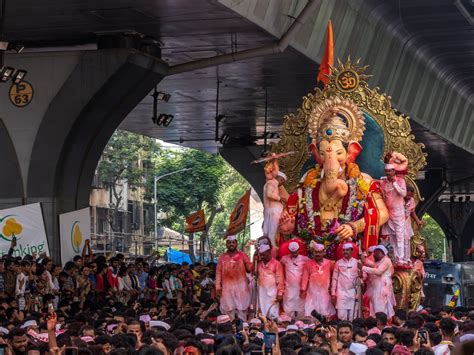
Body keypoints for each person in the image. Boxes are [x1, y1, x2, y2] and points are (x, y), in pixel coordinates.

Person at [215, 235, 252, 321]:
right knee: (228, 311)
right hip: (227, 289)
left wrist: (253, 261)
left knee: (242, 311)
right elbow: (218, 272)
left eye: (233, 242)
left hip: (241, 289)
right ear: (226, 244)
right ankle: (230, 331)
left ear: (236, 243)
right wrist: (217, 287)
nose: (231, 244)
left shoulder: (243, 255)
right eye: (229, 243)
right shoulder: (222, 257)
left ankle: (243, 331)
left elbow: (249, 268)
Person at [380, 163, 408, 263]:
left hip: (398, 212)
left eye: (389, 171)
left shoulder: (400, 181)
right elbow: (383, 196)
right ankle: (395, 257)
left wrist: (395, 183)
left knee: (399, 235)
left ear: (394, 171)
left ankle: (401, 258)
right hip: (388, 212)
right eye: (386, 171)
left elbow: (403, 194)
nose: (387, 173)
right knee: (392, 236)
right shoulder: (383, 182)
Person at [300, 242, 335, 318]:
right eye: (316, 252)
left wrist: (333, 288)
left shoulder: (329, 263)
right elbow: (305, 277)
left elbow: (334, 276)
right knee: (311, 314)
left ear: (323, 253)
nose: (318, 254)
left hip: (325, 292)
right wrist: (303, 289)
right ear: (313, 252)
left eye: (320, 252)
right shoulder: (308, 264)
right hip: (312, 293)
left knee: (326, 314)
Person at [362, 245, 396, 318]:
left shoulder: (386, 260)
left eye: (376, 252)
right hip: (376, 288)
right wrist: (363, 256)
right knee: (374, 307)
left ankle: (381, 323)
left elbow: (378, 272)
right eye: (374, 252)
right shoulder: (378, 261)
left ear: (382, 253)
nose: (374, 254)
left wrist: (363, 268)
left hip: (382, 288)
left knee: (380, 308)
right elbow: (370, 264)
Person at [331, 243, 360, 321]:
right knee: (341, 316)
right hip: (342, 293)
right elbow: (334, 279)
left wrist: (362, 275)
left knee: (352, 317)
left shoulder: (357, 263)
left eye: (347, 250)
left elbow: (363, 277)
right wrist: (333, 293)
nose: (345, 252)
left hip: (353, 293)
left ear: (352, 251)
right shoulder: (338, 263)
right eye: (344, 250)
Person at [280, 241, 309, 318]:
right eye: (292, 252)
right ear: (289, 251)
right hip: (289, 288)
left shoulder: (305, 259)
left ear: (298, 250)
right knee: (288, 308)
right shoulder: (284, 259)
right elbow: (279, 267)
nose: (294, 254)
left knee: (301, 307)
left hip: (300, 288)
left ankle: (301, 323)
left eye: (295, 252)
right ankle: (287, 323)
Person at [257, 244, 284, 318]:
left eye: (264, 255)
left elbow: (280, 280)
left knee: (273, 314)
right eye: (261, 255)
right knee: (263, 314)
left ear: (269, 252)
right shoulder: (259, 264)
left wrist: (280, 293)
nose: (262, 257)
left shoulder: (276, 264)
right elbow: (254, 273)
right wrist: (254, 260)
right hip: (262, 293)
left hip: (273, 294)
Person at [262, 161, 285, 245]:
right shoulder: (272, 183)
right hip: (273, 212)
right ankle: (272, 245)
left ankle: (272, 244)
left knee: (273, 232)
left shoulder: (272, 183)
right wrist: (280, 198)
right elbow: (269, 194)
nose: (282, 182)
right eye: (282, 180)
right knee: (272, 232)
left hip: (272, 211)